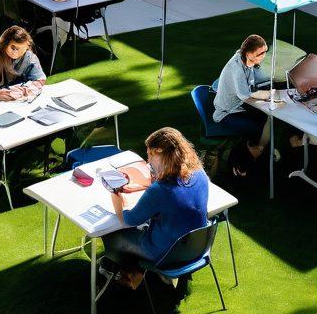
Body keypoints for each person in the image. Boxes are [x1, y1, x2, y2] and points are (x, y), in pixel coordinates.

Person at [104, 127, 209, 286]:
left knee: (112, 234)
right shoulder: (200, 173)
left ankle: (129, 275)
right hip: (196, 247)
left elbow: (128, 220)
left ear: (160, 153)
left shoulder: (161, 190)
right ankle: (139, 274)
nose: (148, 161)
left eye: (150, 155)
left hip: (167, 254)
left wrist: (116, 194)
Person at [213, 35, 273, 175]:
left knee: (263, 117)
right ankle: (240, 165)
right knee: (255, 129)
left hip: (237, 106)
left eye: (265, 52)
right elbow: (244, 95)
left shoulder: (245, 60)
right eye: (260, 53)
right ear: (249, 54)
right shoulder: (237, 69)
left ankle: (254, 154)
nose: (263, 56)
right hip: (226, 112)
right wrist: (268, 94)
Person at [0, 26, 46, 102]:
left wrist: (24, 90)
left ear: (27, 47)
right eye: (13, 48)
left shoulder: (29, 57)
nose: (15, 52)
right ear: (5, 43)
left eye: (19, 49)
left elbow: (40, 79)